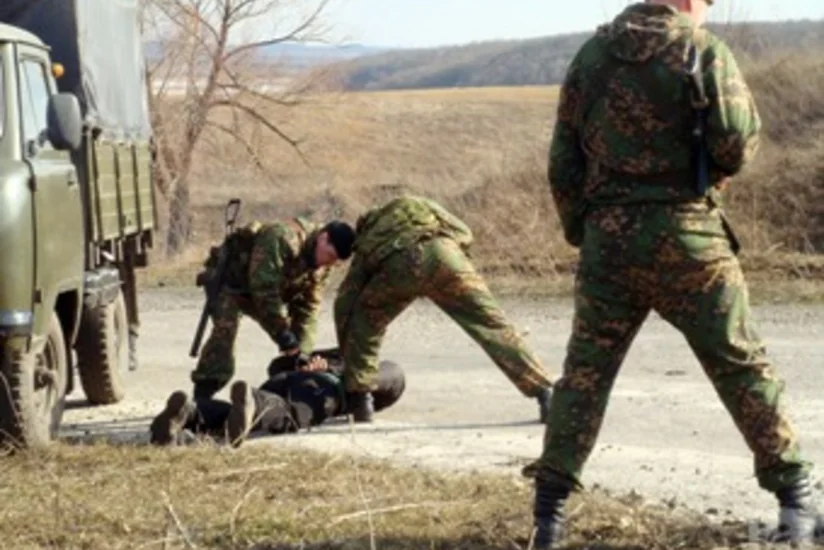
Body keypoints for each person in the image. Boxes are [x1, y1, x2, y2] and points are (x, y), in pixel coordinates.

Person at [522, 1, 821, 547]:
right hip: (689, 235)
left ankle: (549, 517)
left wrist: (583, 230)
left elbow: (562, 161)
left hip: (609, 243)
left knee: (585, 377)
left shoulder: (591, 57)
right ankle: (796, 502)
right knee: (740, 365)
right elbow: (736, 143)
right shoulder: (703, 50)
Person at [333, 195, 555, 424]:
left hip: (399, 270)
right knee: (493, 326)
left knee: (365, 322)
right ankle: (545, 392)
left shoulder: (367, 236)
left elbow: (345, 300)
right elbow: (465, 232)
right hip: (447, 257)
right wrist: (453, 257)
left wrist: (344, 355)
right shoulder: (417, 203)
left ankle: (361, 401)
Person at [189, 217, 356, 402]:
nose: (329, 264)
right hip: (230, 283)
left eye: (335, 262)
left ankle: (289, 383)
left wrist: (302, 353)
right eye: (330, 256)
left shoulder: (323, 264)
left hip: (265, 289)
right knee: (225, 331)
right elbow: (264, 293)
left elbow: (308, 308)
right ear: (323, 238)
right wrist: (284, 337)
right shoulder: (281, 238)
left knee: (297, 349)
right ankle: (204, 391)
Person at [150, 347, 406, 446]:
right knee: (291, 415)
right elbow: (394, 376)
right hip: (319, 388)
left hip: (279, 385)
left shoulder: (347, 356)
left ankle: (191, 412)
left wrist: (303, 362)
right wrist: (321, 366)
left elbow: (275, 368)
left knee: (237, 413)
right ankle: (254, 403)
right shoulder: (358, 362)